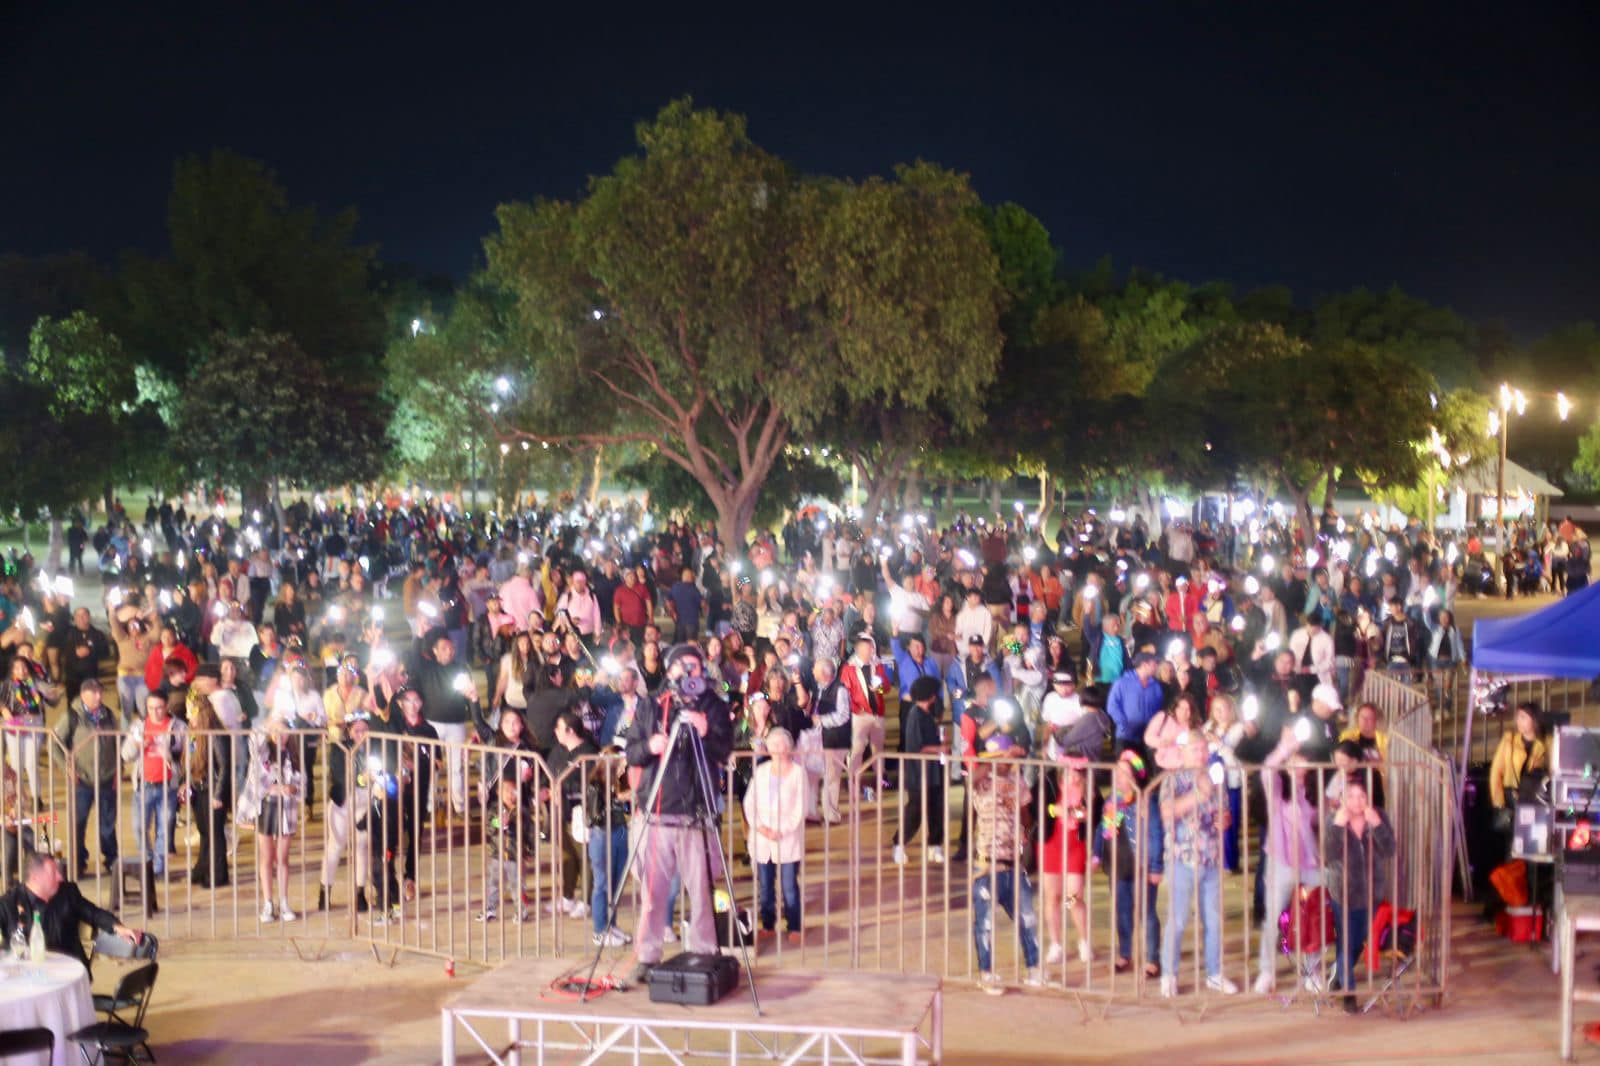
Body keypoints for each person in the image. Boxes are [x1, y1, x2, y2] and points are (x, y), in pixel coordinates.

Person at [625, 644, 733, 985]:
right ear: (670, 670)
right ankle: (647, 954)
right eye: (683, 666)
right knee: (653, 895)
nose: (689, 673)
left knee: (701, 891)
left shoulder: (714, 706)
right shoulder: (652, 705)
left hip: (695, 814)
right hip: (657, 814)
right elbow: (631, 751)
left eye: (696, 667)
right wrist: (650, 747)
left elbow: (724, 749)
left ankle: (704, 951)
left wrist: (705, 730)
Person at [1158, 732, 1237, 997]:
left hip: (1212, 857)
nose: (1201, 754)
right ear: (1183, 752)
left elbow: (1224, 812)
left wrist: (1223, 820)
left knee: (1213, 920)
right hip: (1182, 857)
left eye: (1204, 749)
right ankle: (1169, 974)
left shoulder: (1217, 778)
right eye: (1195, 749)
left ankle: (1214, 973)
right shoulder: (1172, 779)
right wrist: (1198, 796)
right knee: (1178, 919)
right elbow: (1167, 812)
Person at [968, 751, 1042, 993]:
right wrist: (995, 760)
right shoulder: (983, 781)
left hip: (1013, 864)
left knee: (1027, 919)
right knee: (985, 924)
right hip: (986, 865)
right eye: (1005, 757)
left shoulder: (1016, 779)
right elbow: (972, 779)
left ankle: (1034, 967)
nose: (1009, 762)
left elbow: (1027, 812)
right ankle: (987, 974)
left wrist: (1024, 828)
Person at [1253, 734, 1321, 994]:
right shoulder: (1278, 791)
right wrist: (1284, 748)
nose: (1299, 768)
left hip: (1311, 864)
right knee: (1272, 917)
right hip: (1281, 862)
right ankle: (1266, 971)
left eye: (1303, 763)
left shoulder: (1314, 793)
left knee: (1313, 917)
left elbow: (1320, 826)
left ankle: (1311, 969)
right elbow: (1267, 769)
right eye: (1295, 762)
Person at [0, 851, 142, 971]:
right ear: (35, 878)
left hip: (68, 968)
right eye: (53, 873)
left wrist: (117, 927)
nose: (60, 877)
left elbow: (93, 913)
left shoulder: (67, 892)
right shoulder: (9, 904)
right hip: (25, 972)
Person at [1323, 777, 1395, 1012]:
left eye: (1361, 796)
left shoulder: (1378, 816)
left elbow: (1390, 849)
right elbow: (1326, 855)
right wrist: (1337, 828)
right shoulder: (1333, 819)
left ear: (1368, 798)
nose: (1356, 801)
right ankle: (1349, 993)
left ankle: (1338, 977)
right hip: (1343, 893)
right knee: (1346, 942)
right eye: (1351, 796)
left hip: (1372, 893)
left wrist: (1378, 826)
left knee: (1358, 942)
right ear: (1342, 798)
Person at [1095, 750, 1162, 977]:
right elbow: (1102, 831)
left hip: (1141, 865)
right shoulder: (1111, 801)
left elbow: (1155, 833)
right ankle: (1125, 954)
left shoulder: (1146, 800)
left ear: (1134, 777)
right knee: (1122, 911)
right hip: (1118, 866)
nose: (1118, 777)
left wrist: (1155, 867)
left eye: (1124, 773)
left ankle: (1152, 959)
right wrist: (1096, 855)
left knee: (1146, 912)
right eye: (1117, 772)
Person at [742, 726, 806, 943]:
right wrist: (760, 827)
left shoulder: (798, 773)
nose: (778, 749)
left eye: (782, 745)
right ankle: (768, 924)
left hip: (787, 839)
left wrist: (782, 830)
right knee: (765, 887)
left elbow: (801, 808)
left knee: (789, 886)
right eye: (773, 745)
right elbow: (749, 802)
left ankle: (794, 925)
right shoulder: (760, 772)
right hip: (762, 838)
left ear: (789, 748)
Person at [120, 689, 185, 896]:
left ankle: (158, 868)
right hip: (144, 784)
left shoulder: (179, 727)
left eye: (159, 707)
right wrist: (139, 746)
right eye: (150, 708)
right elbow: (125, 754)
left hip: (168, 785)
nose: (155, 712)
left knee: (164, 828)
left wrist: (172, 755)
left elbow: (188, 755)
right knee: (139, 827)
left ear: (166, 706)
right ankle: (147, 861)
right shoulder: (138, 727)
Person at [54, 678, 120, 879]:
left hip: (107, 777)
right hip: (82, 779)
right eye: (94, 693)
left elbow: (118, 741)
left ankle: (112, 860)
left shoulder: (108, 715)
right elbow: (55, 743)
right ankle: (78, 861)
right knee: (78, 822)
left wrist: (119, 769)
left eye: (100, 692)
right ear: (83, 695)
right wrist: (67, 767)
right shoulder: (72, 716)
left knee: (108, 824)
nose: (99, 696)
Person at [245, 717, 303, 922]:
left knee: (283, 857)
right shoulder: (263, 752)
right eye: (276, 731)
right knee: (266, 857)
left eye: (285, 731)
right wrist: (269, 723)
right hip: (265, 808)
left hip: (287, 810)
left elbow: (300, 783)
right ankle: (268, 903)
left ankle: (284, 901)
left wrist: (292, 788)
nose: (280, 735)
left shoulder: (294, 754)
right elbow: (253, 741)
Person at [1039, 765, 1096, 966]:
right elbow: (1040, 807)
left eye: (1077, 772)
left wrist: (1082, 814)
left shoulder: (1091, 792)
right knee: (1052, 897)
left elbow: (1098, 818)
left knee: (1074, 897)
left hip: (1076, 845)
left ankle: (1084, 941)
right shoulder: (1050, 784)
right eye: (1069, 772)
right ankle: (1056, 944)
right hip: (1051, 844)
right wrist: (1056, 810)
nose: (1072, 776)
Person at [891, 676, 947, 866]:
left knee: (936, 811)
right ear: (930, 695)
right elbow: (917, 747)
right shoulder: (915, 715)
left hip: (934, 774)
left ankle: (935, 846)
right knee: (915, 812)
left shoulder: (927, 715)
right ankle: (899, 845)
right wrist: (939, 749)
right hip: (919, 774)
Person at [184, 692, 232, 889]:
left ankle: (218, 874)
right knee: (204, 830)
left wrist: (219, 794)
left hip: (213, 788)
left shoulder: (215, 735)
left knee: (215, 833)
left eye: (191, 712)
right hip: (199, 787)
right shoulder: (194, 734)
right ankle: (203, 867)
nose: (188, 717)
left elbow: (224, 766)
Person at [1107, 652, 1163, 760]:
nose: (1156, 666)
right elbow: (1112, 706)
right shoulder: (1122, 682)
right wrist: (1124, 724)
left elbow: (1159, 708)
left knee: (1142, 771)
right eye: (1154, 664)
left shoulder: (1156, 685)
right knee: (1127, 769)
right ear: (1144, 665)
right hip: (1126, 736)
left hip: (1147, 737)